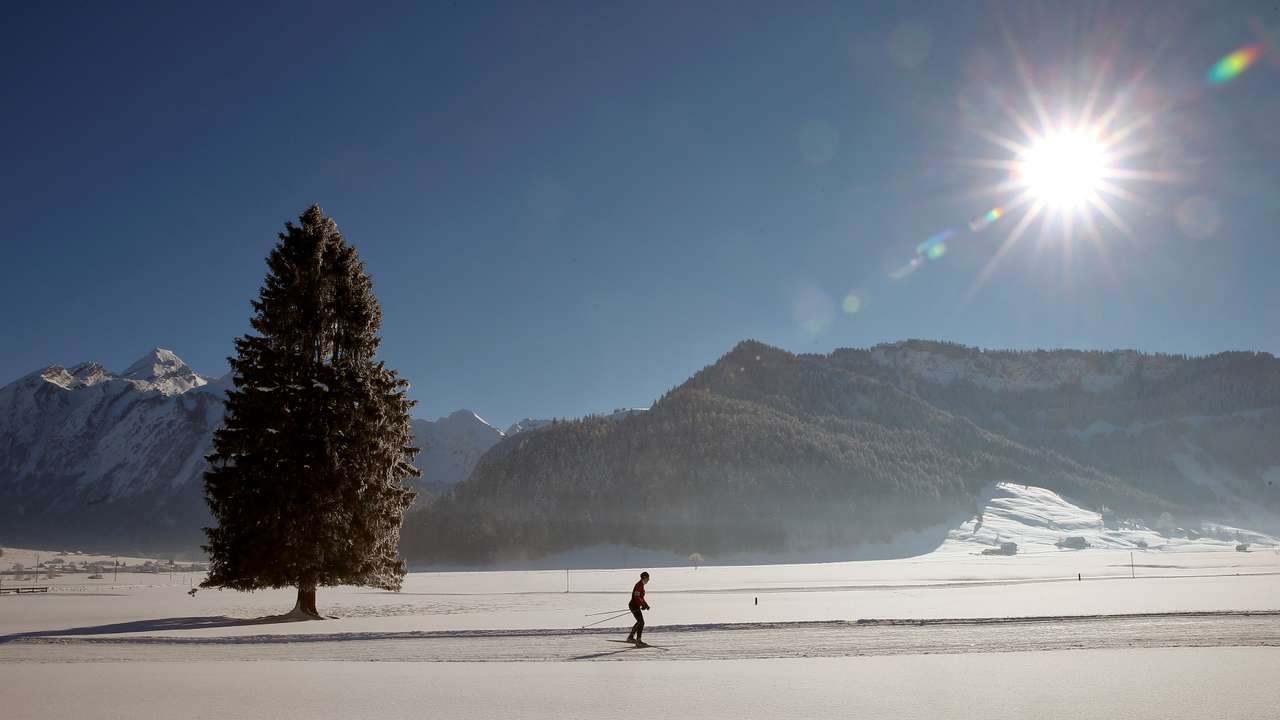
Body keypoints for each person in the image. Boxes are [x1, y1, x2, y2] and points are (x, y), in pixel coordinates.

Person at [625, 571, 651, 644]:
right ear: (644, 578)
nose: (648, 580)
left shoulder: (641, 585)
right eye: (648, 578)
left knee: (640, 622)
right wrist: (642, 605)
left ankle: (631, 637)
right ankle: (637, 640)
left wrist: (645, 604)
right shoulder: (638, 585)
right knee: (641, 622)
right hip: (633, 605)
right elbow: (637, 597)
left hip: (635, 605)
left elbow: (640, 598)